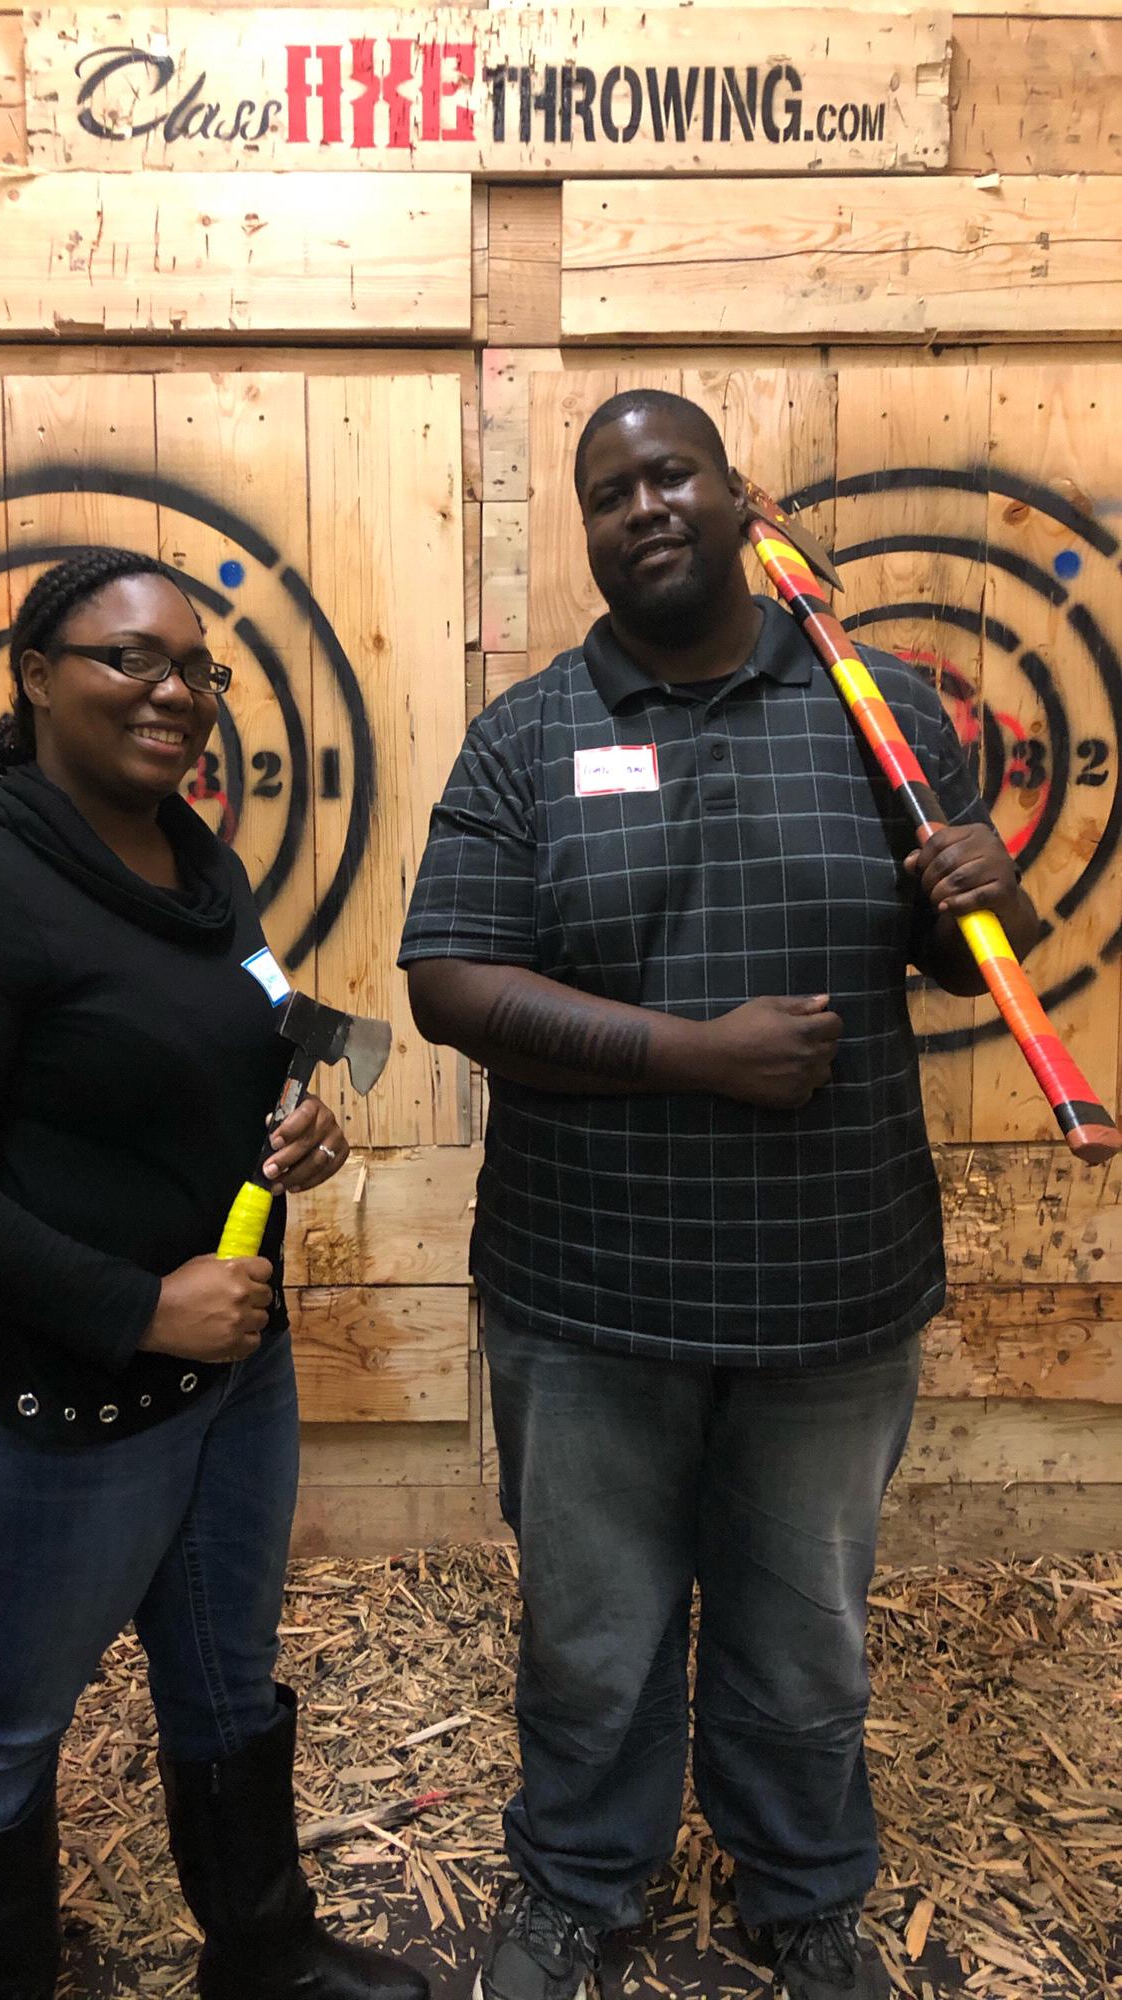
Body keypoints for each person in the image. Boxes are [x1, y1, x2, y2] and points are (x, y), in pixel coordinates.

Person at [399, 392, 1041, 2000]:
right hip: (585, 1290)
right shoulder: (528, 736)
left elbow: (959, 953)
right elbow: (452, 983)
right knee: (592, 1632)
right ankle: (579, 1881)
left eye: (668, 473)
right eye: (607, 492)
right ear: (588, 531)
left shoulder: (884, 711)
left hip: (835, 1281)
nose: (642, 507)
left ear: (735, 497)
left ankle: (804, 1886)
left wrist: (994, 895)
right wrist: (695, 1056)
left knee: (806, 1628)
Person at [0, 548, 427, 2000]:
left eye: (196, 668)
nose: (174, 690)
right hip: (39, 1393)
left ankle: (265, 1956)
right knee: (2, 1716)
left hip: (228, 1371)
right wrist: (142, 1307)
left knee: (227, 1671)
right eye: (130, 658)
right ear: (38, 678)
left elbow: (249, 1025)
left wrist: (298, 1125)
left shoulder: (199, 867)